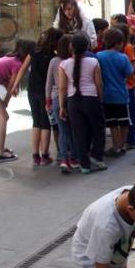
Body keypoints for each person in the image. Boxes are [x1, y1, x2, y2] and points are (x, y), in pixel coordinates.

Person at [59, 34, 106, 174]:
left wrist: (62, 106)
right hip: (91, 98)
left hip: (73, 100)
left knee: (78, 133)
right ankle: (97, 157)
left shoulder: (64, 64)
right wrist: (100, 99)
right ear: (86, 47)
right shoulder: (93, 62)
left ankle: (84, 165)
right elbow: (99, 84)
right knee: (98, 129)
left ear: (71, 47)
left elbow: (62, 88)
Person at [97, 29, 135, 157]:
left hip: (106, 95)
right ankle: (123, 144)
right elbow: (129, 72)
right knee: (124, 121)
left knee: (112, 123)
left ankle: (116, 145)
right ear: (118, 43)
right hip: (122, 95)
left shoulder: (99, 56)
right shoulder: (123, 57)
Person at [29, 28, 63, 166]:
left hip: (32, 90)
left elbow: (25, 67)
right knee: (46, 124)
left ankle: (35, 155)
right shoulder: (53, 57)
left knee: (36, 122)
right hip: (45, 91)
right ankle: (45, 154)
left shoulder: (34, 51)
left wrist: (14, 86)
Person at [46, 34, 78, 173]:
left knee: (62, 129)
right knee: (72, 129)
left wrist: (47, 100)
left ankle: (64, 157)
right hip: (70, 97)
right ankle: (71, 157)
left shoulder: (54, 61)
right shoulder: (73, 61)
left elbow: (48, 83)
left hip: (55, 98)